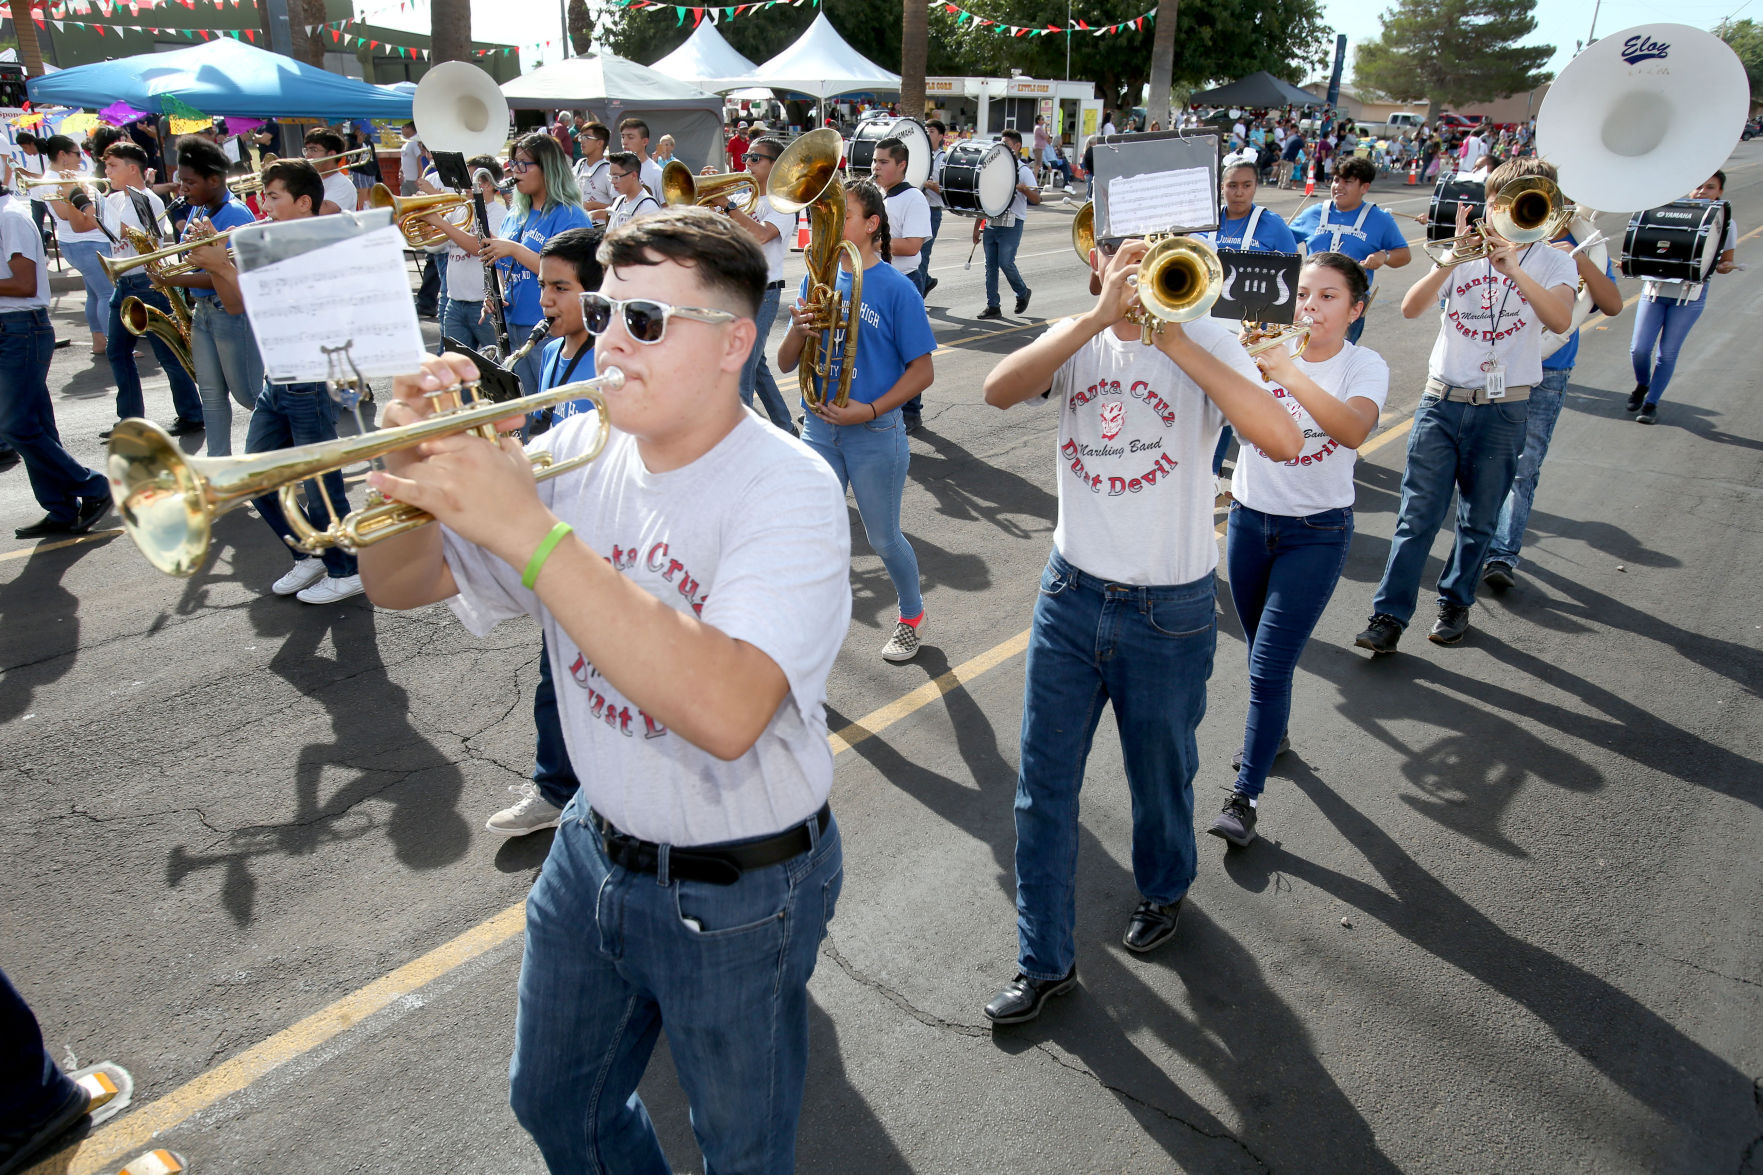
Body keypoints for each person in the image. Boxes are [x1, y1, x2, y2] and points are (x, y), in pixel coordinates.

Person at [358, 206, 850, 1174]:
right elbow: (398, 582)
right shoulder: (576, 451)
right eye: (603, 309)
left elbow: (725, 710)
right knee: (551, 1101)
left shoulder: (785, 487)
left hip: (739, 883)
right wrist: (400, 469)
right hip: (593, 849)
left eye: (646, 322)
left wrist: (531, 532)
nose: (609, 340)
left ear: (733, 344)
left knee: (741, 1151)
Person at [978, 229, 1301, 1024]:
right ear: (1094, 258)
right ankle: (1043, 959)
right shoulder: (1078, 332)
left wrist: (1177, 337)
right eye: (1117, 252)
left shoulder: (1208, 334)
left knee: (1158, 780)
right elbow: (994, 390)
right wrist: (1095, 319)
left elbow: (1282, 439)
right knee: (1041, 791)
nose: (1130, 266)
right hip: (1070, 595)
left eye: (1146, 254)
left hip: (1169, 609)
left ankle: (1163, 887)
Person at [1356, 159, 1577, 654]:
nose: (1513, 213)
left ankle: (1455, 603)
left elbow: (1560, 320)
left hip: (1504, 406)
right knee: (1418, 516)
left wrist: (1514, 268)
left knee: (1478, 519)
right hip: (1442, 400)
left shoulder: (1555, 261)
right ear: (1490, 205)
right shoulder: (1461, 254)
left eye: (1527, 202)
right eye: (1504, 201)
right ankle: (1388, 616)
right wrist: (1450, 259)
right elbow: (1411, 308)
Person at [1208, 255, 1389, 847]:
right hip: (1249, 522)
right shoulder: (1260, 354)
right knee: (1263, 652)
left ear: (1356, 309)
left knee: (1268, 667)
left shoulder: (1364, 366)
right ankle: (1274, 736)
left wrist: (1285, 373)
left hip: (1316, 532)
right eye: (1304, 293)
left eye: (1329, 297)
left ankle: (1245, 796)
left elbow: (1352, 430)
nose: (1310, 306)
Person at [189, 159, 363, 604]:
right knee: (257, 476)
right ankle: (307, 551)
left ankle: (347, 569)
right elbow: (234, 305)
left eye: (272, 197)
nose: (262, 205)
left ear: (303, 203)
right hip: (278, 377)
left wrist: (222, 265)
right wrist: (217, 266)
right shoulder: (268, 241)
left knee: (319, 483)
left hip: (309, 378)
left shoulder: (315, 246)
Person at [484, 226, 607, 837]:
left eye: (561, 287)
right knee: (556, 675)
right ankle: (558, 788)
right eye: (541, 286)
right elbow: (546, 438)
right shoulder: (557, 350)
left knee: (592, 678)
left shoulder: (611, 358)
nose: (546, 301)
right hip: (564, 540)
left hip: (604, 547)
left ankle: (586, 793)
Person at [780, 179, 935, 663]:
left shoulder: (896, 287)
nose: (830, 224)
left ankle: (911, 616)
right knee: (809, 534)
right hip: (818, 428)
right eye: (825, 216)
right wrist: (799, 331)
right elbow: (786, 363)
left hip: (872, 431)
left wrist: (869, 409)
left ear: (870, 225)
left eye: (841, 215)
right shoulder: (817, 277)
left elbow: (923, 371)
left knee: (882, 538)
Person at [1482, 178, 1623, 591]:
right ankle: (1476, 546)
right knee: (1481, 464)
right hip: (1495, 363)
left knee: (1524, 469)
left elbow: (1611, 305)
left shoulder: (1581, 244)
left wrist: (1579, 261)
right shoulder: (1499, 235)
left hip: (1549, 367)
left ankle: (1501, 555)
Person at [1, 181, 113, 539]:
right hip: (12, 330)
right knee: (35, 425)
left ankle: (94, 487)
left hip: (20, 330)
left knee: (16, 427)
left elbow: (25, 284)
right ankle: (61, 508)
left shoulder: (11, 217)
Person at [155, 135, 261, 458]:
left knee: (250, 396)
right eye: (181, 181)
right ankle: (219, 468)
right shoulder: (200, 208)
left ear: (214, 180)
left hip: (229, 313)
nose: (182, 188)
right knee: (212, 396)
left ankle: (284, 446)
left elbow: (226, 275)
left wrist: (174, 277)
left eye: (189, 182)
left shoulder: (236, 215)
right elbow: (195, 258)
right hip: (203, 312)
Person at [94, 140, 205, 439]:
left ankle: (192, 414)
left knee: (168, 354)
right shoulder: (114, 199)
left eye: (113, 166)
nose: (106, 171)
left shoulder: (147, 199)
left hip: (147, 282)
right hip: (124, 282)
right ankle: (130, 418)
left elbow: (138, 236)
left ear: (133, 169)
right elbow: (89, 229)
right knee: (117, 351)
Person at [480, 132, 591, 398]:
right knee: (516, 413)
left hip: (547, 330)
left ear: (547, 168)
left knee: (557, 409)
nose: (513, 170)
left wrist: (516, 250)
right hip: (512, 326)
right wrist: (493, 295)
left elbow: (569, 273)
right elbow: (501, 264)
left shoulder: (569, 215)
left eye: (522, 163)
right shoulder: (516, 215)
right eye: (513, 163)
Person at [1627, 170, 1737, 426]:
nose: (1702, 191)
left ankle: (1651, 403)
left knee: (1667, 354)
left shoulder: (1725, 222)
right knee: (1639, 349)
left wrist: (1724, 267)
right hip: (1655, 290)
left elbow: (1725, 261)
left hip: (1690, 296)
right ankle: (1642, 384)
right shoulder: (1666, 210)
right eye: (1698, 186)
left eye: (1710, 187)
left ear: (1720, 192)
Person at [717, 135, 797, 433]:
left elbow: (762, 235)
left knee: (741, 372)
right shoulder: (741, 198)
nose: (746, 162)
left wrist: (727, 206)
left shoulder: (784, 203)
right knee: (757, 365)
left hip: (763, 292)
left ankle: (744, 442)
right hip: (737, 291)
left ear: (775, 166)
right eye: (746, 157)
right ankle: (785, 428)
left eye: (755, 158)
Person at [1288, 157, 1411, 343]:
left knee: (1337, 353)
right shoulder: (1313, 213)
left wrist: (1384, 256)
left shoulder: (1380, 220)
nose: (1338, 186)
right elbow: (1284, 241)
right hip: (1309, 298)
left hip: (1349, 301)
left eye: (1347, 182)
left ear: (1364, 187)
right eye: (1336, 180)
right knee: (1300, 348)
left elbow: (1404, 255)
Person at [33, 134, 114, 356]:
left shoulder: (62, 176)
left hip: (85, 241)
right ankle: (113, 342)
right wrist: (77, 196)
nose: (82, 158)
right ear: (63, 155)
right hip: (84, 242)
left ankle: (100, 341)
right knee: (108, 293)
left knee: (96, 294)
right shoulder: (52, 178)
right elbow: (63, 214)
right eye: (77, 154)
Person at [428, 155, 507, 356]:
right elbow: (433, 243)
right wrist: (423, 216)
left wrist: (441, 223)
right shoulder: (460, 210)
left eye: (468, 179)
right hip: (454, 302)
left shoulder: (498, 213)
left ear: (486, 183)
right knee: (456, 372)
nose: (463, 186)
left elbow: (479, 247)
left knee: (500, 365)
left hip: (483, 304)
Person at [974, 128, 1038, 321]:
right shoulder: (993, 170)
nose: (1004, 148)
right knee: (990, 266)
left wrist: (1024, 189)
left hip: (1013, 222)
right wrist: (978, 225)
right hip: (992, 222)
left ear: (1017, 146)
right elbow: (985, 199)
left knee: (1005, 262)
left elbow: (1037, 198)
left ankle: (1022, 292)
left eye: (1008, 144)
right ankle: (993, 305)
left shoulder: (1023, 171)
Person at [873, 137, 931, 294]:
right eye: (875, 161)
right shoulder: (876, 194)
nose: (876, 167)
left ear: (901, 165)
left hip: (902, 280)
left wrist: (869, 243)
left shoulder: (914, 198)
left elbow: (912, 246)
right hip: (876, 278)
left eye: (883, 162)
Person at [916, 119, 948, 296]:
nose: (928, 133)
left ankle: (918, 297)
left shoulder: (944, 160)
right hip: (915, 208)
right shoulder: (919, 155)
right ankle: (926, 280)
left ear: (941, 136)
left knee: (922, 254)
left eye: (932, 131)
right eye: (926, 130)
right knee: (912, 254)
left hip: (931, 210)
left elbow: (947, 191)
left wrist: (932, 186)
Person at [596, 152, 662, 232]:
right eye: (611, 177)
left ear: (633, 175)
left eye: (616, 177)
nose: (613, 181)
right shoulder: (619, 201)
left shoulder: (648, 207)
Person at [301, 127, 358, 214]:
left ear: (331, 155)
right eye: (306, 150)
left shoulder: (343, 184)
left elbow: (322, 213)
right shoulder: (311, 180)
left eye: (314, 150)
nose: (308, 155)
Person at [618, 117, 665, 199]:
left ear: (645, 142)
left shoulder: (657, 173)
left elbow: (666, 209)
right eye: (623, 137)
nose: (624, 142)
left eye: (630, 137)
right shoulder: (617, 171)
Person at [572, 121, 613, 215]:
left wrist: (594, 206)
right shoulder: (579, 165)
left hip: (600, 227)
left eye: (586, 137)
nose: (581, 141)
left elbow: (620, 207)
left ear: (600, 143)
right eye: (581, 137)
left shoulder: (608, 171)